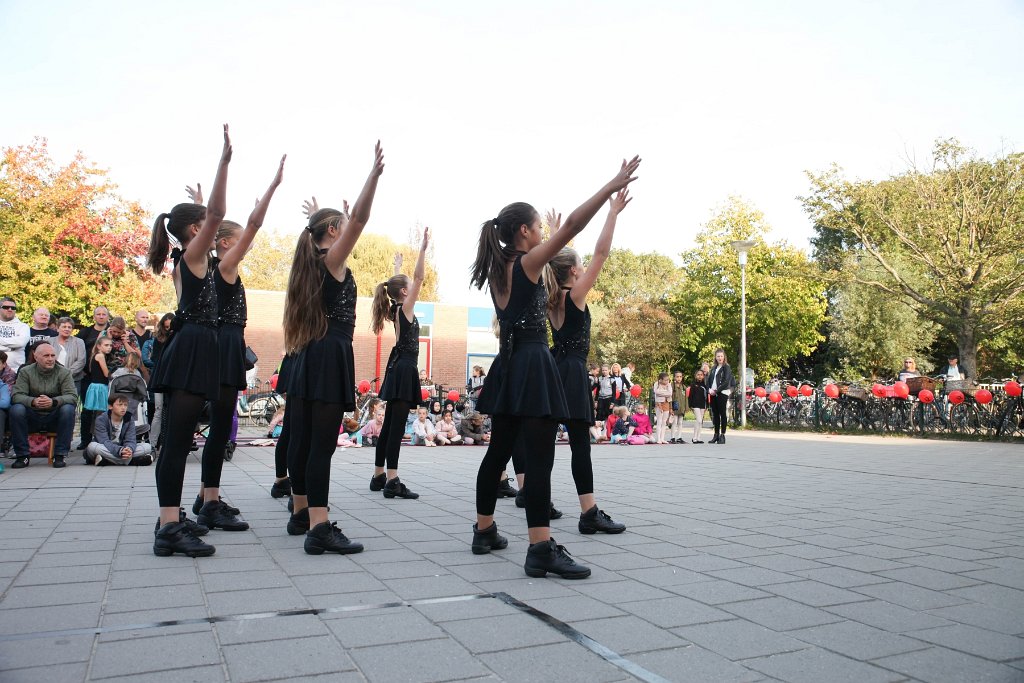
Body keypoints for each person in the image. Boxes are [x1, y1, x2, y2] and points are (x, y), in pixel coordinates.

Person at [469, 155, 640, 579]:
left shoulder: (498, 268)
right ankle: (540, 547)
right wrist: (608, 188)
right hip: (530, 362)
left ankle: (485, 530)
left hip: (508, 366)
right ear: (524, 232)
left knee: (497, 453)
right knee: (540, 460)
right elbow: (572, 229)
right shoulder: (526, 264)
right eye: (539, 229)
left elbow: (562, 236)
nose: (546, 234)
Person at [283, 142, 383, 555]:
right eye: (340, 227)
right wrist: (373, 176)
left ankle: (301, 511)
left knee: (302, 441)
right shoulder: (329, 260)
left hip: (311, 355)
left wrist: (322, 215)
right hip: (329, 356)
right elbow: (359, 218)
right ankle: (320, 527)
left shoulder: (310, 260)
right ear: (333, 233)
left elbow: (337, 224)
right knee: (321, 446)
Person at [147, 124, 233, 558]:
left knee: (182, 441)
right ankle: (167, 527)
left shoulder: (192, 255)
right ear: (195, 230)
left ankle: (172, 517)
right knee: (178, 442)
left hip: (199, 345)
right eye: (204, 225)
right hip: (192, 347)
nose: (212, 229)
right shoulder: (194, 254)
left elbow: (207, 216)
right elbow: (217, 214)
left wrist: (197, 204)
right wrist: (223, 163)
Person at [190, 155, 284, 532]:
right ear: (226, 242)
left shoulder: (211, 267)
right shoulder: (225, 268)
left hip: (222, 343)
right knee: (219, 425)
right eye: (237, 240)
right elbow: (255, 225)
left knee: (219, 424)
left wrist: (201, 201)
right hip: (225, 344)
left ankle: (206, 495)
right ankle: (209, 499)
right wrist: (273, 188)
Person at [541, 191, 630, 535]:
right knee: (580, 445)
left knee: (544, 443)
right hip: (574, 372)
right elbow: (602, 253)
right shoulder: (574, 296)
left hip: (553, 369)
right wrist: (613, 213)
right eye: (579, 267)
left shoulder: (550, 298)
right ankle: (588, 512)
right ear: (574, 272)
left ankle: (540, 501)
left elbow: (554, 262)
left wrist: (555, 235)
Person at [370, 231, 430, 500]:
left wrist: (395, 270)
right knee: (395, 427)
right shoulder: (404, 309)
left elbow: (399, 284)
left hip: (398, 367)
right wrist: (422, 250)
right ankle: (392, 480)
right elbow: (418, 278)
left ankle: (378, 475)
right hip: (404, 368)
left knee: (391, 424)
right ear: (405, 292)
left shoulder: (395, 307)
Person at [9, 343, 78, 468]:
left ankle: (60, 455)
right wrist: (33, 401)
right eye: (46, 356)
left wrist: (54, 401)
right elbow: (16, 395)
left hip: (54, 416)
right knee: (16, 409)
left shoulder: (64, 372)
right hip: (32, 415)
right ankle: (22, 456)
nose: (50, 359)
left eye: (52, 355)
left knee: (68, 409)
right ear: (36, 357)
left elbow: (72, 396)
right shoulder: (25, 372)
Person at [75, 305, 110, 448]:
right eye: (98, 314)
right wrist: (81, 369)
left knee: (104, 409)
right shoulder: (85, 333)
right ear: (94, 316)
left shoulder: (111, 332)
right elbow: (78, 349)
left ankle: (103, 437)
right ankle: (85, 440)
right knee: (88, 409)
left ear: (107, 317)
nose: (101, 316)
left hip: (106, 378)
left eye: (104, 314)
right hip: (88, 376)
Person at [86, 393, 154, 466]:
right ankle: (131, 461)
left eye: (125, 405)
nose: (123, 408)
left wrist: (129, 449)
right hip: (106, 448)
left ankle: (108, 461)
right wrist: (120, 451)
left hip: (122, 449)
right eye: (120, 405)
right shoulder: (101, 419)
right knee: (92, 446)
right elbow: (104, 441)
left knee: (147, 447)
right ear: (110, 406)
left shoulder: (129, 419)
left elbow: (130, 440)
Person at [142, 313, 174, 448]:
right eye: (166, 327)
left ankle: (172, 443)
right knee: (159, 410)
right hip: (161, 377)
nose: (169, 329)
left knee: (174, 411)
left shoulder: (180, 338)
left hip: (174, 378)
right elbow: (155, 359)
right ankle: (153, 443)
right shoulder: (158, 339)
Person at [83, 336, 114, 423]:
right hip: (100, 387)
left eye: (110, 345)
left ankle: (97, 432)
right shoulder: (100, 356)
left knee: (98, 414)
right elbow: (106, 373)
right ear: (99, 346)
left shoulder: (98, 355)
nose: (109, 347)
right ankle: (98, 433)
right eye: (106, 345)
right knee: (101, 413)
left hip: (97, 386)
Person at [53, 317, 87, 396]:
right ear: (58, 328)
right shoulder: (49, 341)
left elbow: (81, 361)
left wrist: (66, 374)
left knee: (69, 405)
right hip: (52, 379)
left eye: (69, 327)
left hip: (73, 380)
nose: (67, 329)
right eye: (64, 327)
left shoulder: (79, 342)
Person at [705, 350, 732, 444]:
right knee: (715, 414)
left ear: (724, 357)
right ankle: (716, 434)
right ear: (715, 357)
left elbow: (726, 381)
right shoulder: (713, 368)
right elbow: (708, 380)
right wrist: (709, 390)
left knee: (722, 414)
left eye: (721, 356)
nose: (720, 358)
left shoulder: (726, 367)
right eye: (718, 356)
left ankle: (722, 435)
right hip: (712, 393)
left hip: (722, 393)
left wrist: (717, 390)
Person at [0, 297, 31, 372]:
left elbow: (20, 343)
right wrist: (11, 348)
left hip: (16, 371)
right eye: (6, 307)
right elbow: (17, 344)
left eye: (13, 308)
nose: (10, 309)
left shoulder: (23, 326)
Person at [653, 372, 673, 444]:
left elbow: (670, 393)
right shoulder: (656, 384)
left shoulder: (669, 385)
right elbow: (656, 392)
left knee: (664, 422)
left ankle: (662, 438)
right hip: (659, 404)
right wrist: (665, 392)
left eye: (668, 380)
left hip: (667, 403)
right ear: (660, 380)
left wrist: (662, 392)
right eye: (665, 380)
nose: (667, 381)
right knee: (659, 421)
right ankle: (658, 438)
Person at [689, 369, 708, 443]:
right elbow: (690, 396)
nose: (700, 376)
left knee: (700, 422)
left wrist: (707, 405)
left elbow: (706, 396)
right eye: (698, 375)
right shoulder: (693, 385)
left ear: (703, 376)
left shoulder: (704, 386)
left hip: (703, 405)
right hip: (695, 404)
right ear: (695, 376)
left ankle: (698, 437)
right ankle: (694, 437)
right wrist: (690, 405)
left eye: (701, 375)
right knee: (699, 420)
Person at [670, 370, 689, 444]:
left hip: (682, 408)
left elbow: (686, 397)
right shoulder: (671, 386)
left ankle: (679, 437)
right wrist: (670, 408)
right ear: (674, 377)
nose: (679, 378)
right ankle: (672, 438)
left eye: (680, 377)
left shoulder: (683, 387)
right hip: (675, 407)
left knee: (680, 422)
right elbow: (670, 397)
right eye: (677, 376)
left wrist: (686, 407)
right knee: (674, 422)